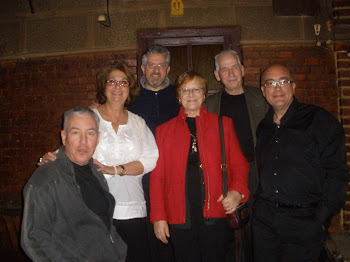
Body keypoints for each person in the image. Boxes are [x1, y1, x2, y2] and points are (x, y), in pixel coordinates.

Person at [38, 64, 159, 262]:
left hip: (134, 210)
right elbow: (72, 147)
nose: (117, 87)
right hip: (92, 209)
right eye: (112, 81)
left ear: (129, 88)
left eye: (123, 82)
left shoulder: (138, 122)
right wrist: (51, 159)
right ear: (104, 86)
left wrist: (115, 169)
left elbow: (150, 158)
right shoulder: (89, 117)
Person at [253, 64, 349, 262]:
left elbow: (337, 173)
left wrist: (321, 219)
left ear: (293, 86)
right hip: (265, 221)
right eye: (270, 83)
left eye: (283, 82)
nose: (277, 88)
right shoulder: (264, 127)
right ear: (263, 91)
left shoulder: (319, 120)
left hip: (304, 221)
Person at [150, 71, 250, 262]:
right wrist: (158, 217)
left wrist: (237, 191)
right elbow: (157, 178)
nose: (191, 94)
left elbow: (239, 164)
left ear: (204, 94)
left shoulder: (223, 124)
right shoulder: (164, 131)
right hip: (179, 216)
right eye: (185, 90)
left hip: (217, 213)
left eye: (196, 89)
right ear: (178, 96)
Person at [21, 106, 127, 262]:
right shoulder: (46, 179)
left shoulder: (96, 172)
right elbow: (33, 240)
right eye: (75, 132)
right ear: (64, 137)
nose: (83, 141)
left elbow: (104, 222)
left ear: (97, 138)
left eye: (90, 133)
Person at [205, 49, 269, 261]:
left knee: (257, 230)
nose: (230, 73)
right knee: (226, 230)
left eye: (234, 67)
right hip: (224, 174)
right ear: (217, 75)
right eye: (224, 69)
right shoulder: (210, 106)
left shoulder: (262, 97)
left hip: (257, 172)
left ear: (242, 70)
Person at [128, 45, 179, 262]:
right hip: (140, 178)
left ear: (168, 69)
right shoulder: (129, 97)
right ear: (142, 68)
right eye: (151, 65)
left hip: (175, 177)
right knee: (147, 237)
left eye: (160, 65)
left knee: (174, 235)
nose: (155, 70)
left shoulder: (179, 95)